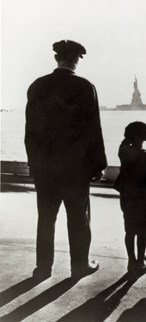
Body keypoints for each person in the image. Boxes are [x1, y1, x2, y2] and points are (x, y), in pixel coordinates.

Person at [25, 40, 107, 280]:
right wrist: (98, 164)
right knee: (78, 219)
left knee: (46, 218)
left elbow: (30, 130)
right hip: (75, 168)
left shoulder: (37, 86)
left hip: (45, 167)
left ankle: (43, 268)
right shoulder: (84, 87)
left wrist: (33, 163)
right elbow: (94, 129)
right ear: (76, 60)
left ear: (56, 59)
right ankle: (80, 266)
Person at [114, 122, 146, 274]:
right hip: (144, 201)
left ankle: (131, 262)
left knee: (129, 231)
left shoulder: (124, 154)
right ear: (145, 137)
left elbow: (123, 146)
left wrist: (127, 139)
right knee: (141, 233)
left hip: (127, 199)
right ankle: (140, 262)